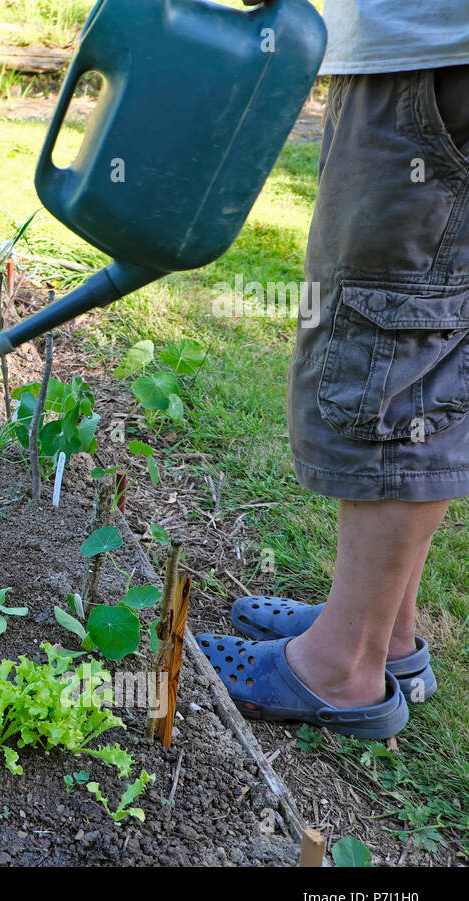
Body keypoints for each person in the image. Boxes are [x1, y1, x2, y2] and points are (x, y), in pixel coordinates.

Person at [197, 2, 469, 739]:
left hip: (435, 62)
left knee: (393, 349)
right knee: (423, 333)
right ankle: (385, 635)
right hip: (427, 53)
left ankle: (341, 669)